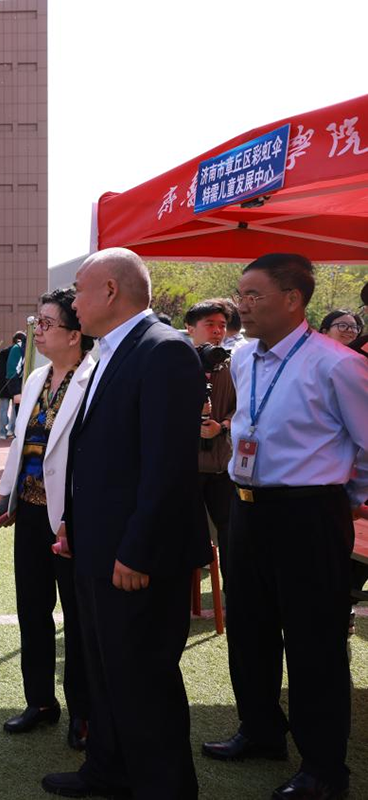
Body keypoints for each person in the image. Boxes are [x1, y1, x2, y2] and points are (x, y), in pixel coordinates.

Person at [41, 248, 211, 799]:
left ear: (111, 291)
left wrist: (137, 549)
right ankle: (108, 770)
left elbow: (167, 467)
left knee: (143, 682)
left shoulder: (163, 350)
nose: (73, 301)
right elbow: (99, 453)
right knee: (107, 672)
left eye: (79, 289)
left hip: (136, 557)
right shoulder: (112, 351)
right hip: (98, 547)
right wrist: (73, 525)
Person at [202, 254, 368, 800]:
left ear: (293, 299)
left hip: (309, 513)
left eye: (253, 295)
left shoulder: (337, 364)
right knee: (249, 627)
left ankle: (323, 768)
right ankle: (260, 730)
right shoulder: (242, 358)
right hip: (246, 507)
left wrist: (343, 497)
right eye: (240, 294)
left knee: (314, 641)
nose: (241, 306)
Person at [0, 287, 94, 752]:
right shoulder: (36, 378)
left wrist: (72, 516)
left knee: (79, 617)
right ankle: (41, 701)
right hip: (31, 512)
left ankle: (84, 710)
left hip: (73, 518)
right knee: (32, 611)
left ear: (75, 334)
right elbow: (20, 445)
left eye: (47, 324)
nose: (38, 331)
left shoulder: (93, 379)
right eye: (37, 323)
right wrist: (4, 495)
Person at [184, 300, 237, 581]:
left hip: (222, 466)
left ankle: (235, 591)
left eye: (222, 325)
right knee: (183, 532)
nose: (217, 331)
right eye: (210, 325)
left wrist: (223, 426)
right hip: (186, 467)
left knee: (231, 531)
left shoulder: (233, 365)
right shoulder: (177, 365)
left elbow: (244, 409)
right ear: (190, 328)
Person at [0, 332, 26, 439]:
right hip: (15, 383)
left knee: (3, 410)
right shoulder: (21, 351)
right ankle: (11, 430)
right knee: (14, 409)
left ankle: (2, 431)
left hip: (3, 384)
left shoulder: (2, 353)